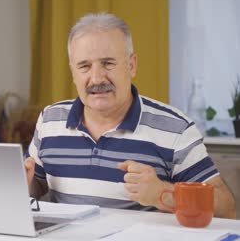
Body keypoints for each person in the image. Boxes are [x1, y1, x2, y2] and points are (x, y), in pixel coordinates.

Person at [24, 12, 236, 219]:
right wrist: (20, 185)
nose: (97, 78)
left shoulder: (175, 128)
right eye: (85, 66)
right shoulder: (50, 119)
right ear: (73, 72)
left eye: (108, 63)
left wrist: (161, 193)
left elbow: (226, 208)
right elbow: (38, 185)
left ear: (131, 65)